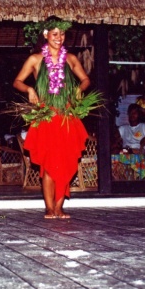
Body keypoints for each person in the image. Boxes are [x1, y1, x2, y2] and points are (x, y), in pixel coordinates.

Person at [13, 19, 91, 219]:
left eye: (62, 35)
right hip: (46, 116)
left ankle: (59, 208)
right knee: (49, 163)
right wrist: (30, 88)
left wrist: (77, 91)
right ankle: (49, 208)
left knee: (65, 162)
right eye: (55, 34)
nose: (59, 38)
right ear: (46, 35)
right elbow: (18, 81)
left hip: (66, 117)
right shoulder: (36, 59)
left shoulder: (70, 58)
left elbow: (85, 80)